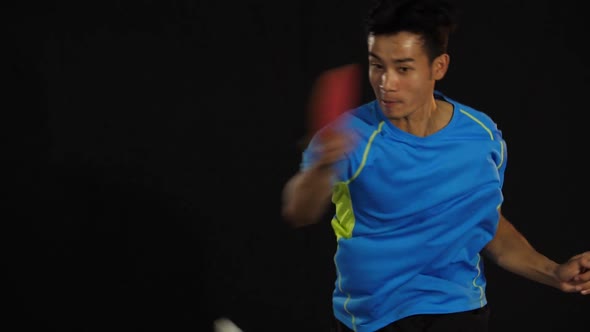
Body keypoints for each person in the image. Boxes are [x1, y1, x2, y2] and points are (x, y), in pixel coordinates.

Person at [280, 0, 590, 331]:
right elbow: (299, 211)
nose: (386, 82)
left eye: (403, 68)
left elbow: (486, 225)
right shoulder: (349, 135)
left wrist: (553, 272)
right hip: (374, 317)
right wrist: (322, 168)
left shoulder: (480, 136)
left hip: (457, 309)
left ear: (438, 67)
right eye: (377, 66)